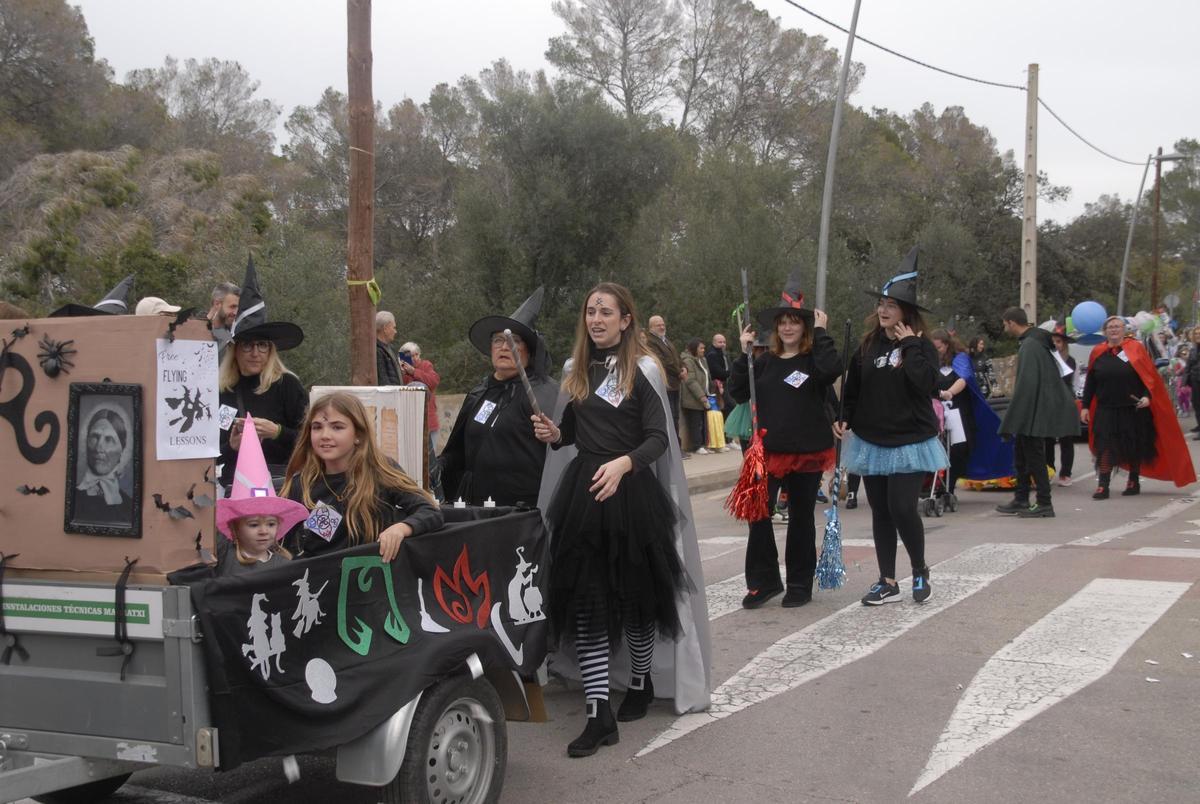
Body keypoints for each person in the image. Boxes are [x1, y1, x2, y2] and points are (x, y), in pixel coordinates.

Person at [533, 282, 710, 757]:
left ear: (626, 319)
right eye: (591, 311)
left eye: (606, 312)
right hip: (585, 494)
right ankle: (598, 713)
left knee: (637, 601)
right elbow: (571, 433)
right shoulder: (578, 370)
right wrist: (554, 432)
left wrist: (625, 463)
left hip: (630, 495)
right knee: (588, 605)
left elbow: (657, 438)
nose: (596, 319)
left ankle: (640, 682)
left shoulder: (643, 369)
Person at [835, 248, 947, 606]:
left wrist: (910, 344)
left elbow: (928, 385)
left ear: (907, 313)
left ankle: (919, 569)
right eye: (882, 303)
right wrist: (843, 416)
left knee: (902, 508)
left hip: (910, 440)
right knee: (881, 511)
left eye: (892, 305)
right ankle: (887, 580)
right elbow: (852, 390)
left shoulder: (922, 346)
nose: (883, 310)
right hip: (872, 440)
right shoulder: (867, 345)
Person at [728, 274, 839, 608]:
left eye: (794, 323)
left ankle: (800, 583)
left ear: (803, 327)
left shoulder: (813, 360)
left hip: (806, 450)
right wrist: (742, 354)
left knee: (802, 519)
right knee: (757, 514)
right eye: (783, 323)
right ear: (776, 329)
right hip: (768, 451)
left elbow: (830, 370)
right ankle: (764, 582)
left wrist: (821, 334)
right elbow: (736, 392)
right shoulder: (763, 363)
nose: (788, 328)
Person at [282, 392, 443, 559]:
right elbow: (279, 542)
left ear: (358, 435)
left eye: (337, 427)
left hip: (372, 578)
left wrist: (401, 528)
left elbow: (430, 511)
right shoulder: (303, 484)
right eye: (317, 427)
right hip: (322, 580)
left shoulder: (381, 471)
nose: (325, 435)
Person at [439, 287, 559, 506]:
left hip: (521, 511)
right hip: (476, 506)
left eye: (515, 341)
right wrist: (434, 467)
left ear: (530, 351)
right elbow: (458, 452)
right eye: (498, 341)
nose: (505, 347)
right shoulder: (480, 392)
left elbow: (559, 454)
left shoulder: (544, 393)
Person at [1081, 315, 1195, 498]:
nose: (1114, 329)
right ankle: (1103, 485)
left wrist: (1146, 397)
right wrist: (1085, 406)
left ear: (1124, 330)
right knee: (1105, 446)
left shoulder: (1135, 349)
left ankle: (1133, 481)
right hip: (1106, 408)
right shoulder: (1098, 352)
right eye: (1110, 327)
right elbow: (1090, 383)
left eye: (1117, 326)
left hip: (1132, 407)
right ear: (1105, 331)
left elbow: (1148, 377)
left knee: (1133, 445)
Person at [219, 258, 308, 491]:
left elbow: (311, 439)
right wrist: (233, 445)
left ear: (271, 350)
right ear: (235, 350)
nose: (255, 353)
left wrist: (276, 431)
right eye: (247, 345)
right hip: (234, 485)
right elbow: (210, 451)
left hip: (279, 484)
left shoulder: (287, 385)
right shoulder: (222, 391)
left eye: (262, 345)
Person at [995, 307, 1079, 518]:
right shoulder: (1033, 342)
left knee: (1034, 456)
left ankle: (1044, 502)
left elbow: (1026, 385)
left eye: (1005, 324)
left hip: (1035, 410)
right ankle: (1021, 498)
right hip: (1035, 408)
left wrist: (1012, 419)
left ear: (1012, 322)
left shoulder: (1030, 346)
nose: (1005, 328)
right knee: (1022, 455)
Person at [215, 415, 307, 575]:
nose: (264, 531)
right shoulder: (224, 557)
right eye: (253, 525)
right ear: (235, 527)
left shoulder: (285, 565)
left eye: (271, 524)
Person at [930, 329, 976, 502]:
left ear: (947, 345)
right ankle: (935, 485)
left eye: (939, 347)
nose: (937, 351)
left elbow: (963, 378)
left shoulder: (960, 358)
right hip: (935, 409)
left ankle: (949, 485)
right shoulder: (932, 360)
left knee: (956, 449)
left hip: (958, 410)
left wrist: (949, 392)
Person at [398, 340, 443, 498]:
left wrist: (413, 371)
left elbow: (433, 381)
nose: (415, 358)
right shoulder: (401, 370)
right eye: (411, 356)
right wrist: (403, 372)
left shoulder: (425, 366)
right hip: (409, 422)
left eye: (417, 354)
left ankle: (434, 492)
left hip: (429, 422)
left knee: (431, 462)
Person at [73, 406, 134, 524]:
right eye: (95, 437)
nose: (98, 448)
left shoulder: (128, 505)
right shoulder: (73, 498)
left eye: (109, 439)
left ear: (122, 449)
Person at [644, 315, 685, 446]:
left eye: (663, 324)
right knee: (669, 416)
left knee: (675, 416)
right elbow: (664, 361)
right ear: (651, 327)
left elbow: (676, 357)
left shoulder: (666, 340)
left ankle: (677, 445)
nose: (662, 327)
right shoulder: (651, 342)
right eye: (658, 325)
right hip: (665, 382)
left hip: (675, 383)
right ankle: (672, 445)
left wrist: (684, 367)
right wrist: (679, 372)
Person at [1045, 326, 1078, 487]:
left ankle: (1065, 473)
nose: (1056, 344)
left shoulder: (1071, 361)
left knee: (1066, 438)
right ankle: (1049, 470)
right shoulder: (1045, 360)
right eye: (1053, 341)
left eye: (1059, 341)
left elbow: (1075, 383)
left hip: (1065, 402)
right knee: (1048, 439)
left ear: (1064, 344)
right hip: (1049, 402)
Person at [680, 338, 712, 455]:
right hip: (692, 398)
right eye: (701, 348)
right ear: (694, 348)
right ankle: (697, 446)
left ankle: (704, 444)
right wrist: (701, 396)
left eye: (704, 348)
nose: (704, 350)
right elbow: (690, 381)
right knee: (695, 422)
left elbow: (707, 376)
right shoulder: (688, 361)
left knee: (703, 422)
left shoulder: (703, 360)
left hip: (704, 395)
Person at [207, 281, 240, 356]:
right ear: (217, 304)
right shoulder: (192, 330)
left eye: (238, 308)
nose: (235, 313)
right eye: (232, 307)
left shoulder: (235, 336)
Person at [706, 333, 733, 415]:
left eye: (724, 342)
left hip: (726, 383)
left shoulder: (724, 354)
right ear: (714, 343)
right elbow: (718, 372)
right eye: (720, 342)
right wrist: (731, 373)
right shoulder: (712, 355)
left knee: (728, 406)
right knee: (727, 406)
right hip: (718, 385)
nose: (723, 344)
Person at [375, 311, 402, 385]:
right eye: (394, 327)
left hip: (396, 394)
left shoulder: (392, 349)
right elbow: (383, 381)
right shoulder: (377, 351)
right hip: (388, 395)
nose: (395, 331)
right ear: (385, 328)